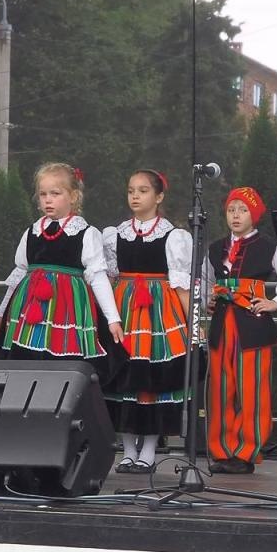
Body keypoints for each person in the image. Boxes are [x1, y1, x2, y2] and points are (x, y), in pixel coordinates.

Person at [203, 186, 277, 474]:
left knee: (252, 390)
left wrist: (276, 301)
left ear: (255, 214)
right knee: (220, 389)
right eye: (231, 210)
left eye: (243, 210)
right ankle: (222, 450)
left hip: (253, 325)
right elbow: (203, 279)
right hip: (221, 324)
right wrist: (207, 299)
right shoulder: (215, 248)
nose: (236, 215)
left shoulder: (268, 247)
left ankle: (246, 452)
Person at [0, 162, 123, 380]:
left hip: (68, 309)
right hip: (29, 308)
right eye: (43, 194)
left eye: (55, 193)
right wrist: (0, 313)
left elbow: (98, 277)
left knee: (63, 366)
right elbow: (18, 274)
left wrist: (112, 318)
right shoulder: (32, 232)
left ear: (73, 196)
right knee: (26, 362)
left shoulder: (86, 233)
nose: (48, 199)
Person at [102, 170, 192, 473]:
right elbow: (109, 278)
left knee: (153, 379)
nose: (135, 196)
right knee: (124, 376)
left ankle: (149, 451)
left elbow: (181, 285)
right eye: (131, 190)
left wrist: (193, 325)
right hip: (125, 308)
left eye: (143, 191)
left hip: (158, 313)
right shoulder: (115, 235)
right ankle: (128, 450)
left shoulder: (173, 236)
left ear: (159, 196)